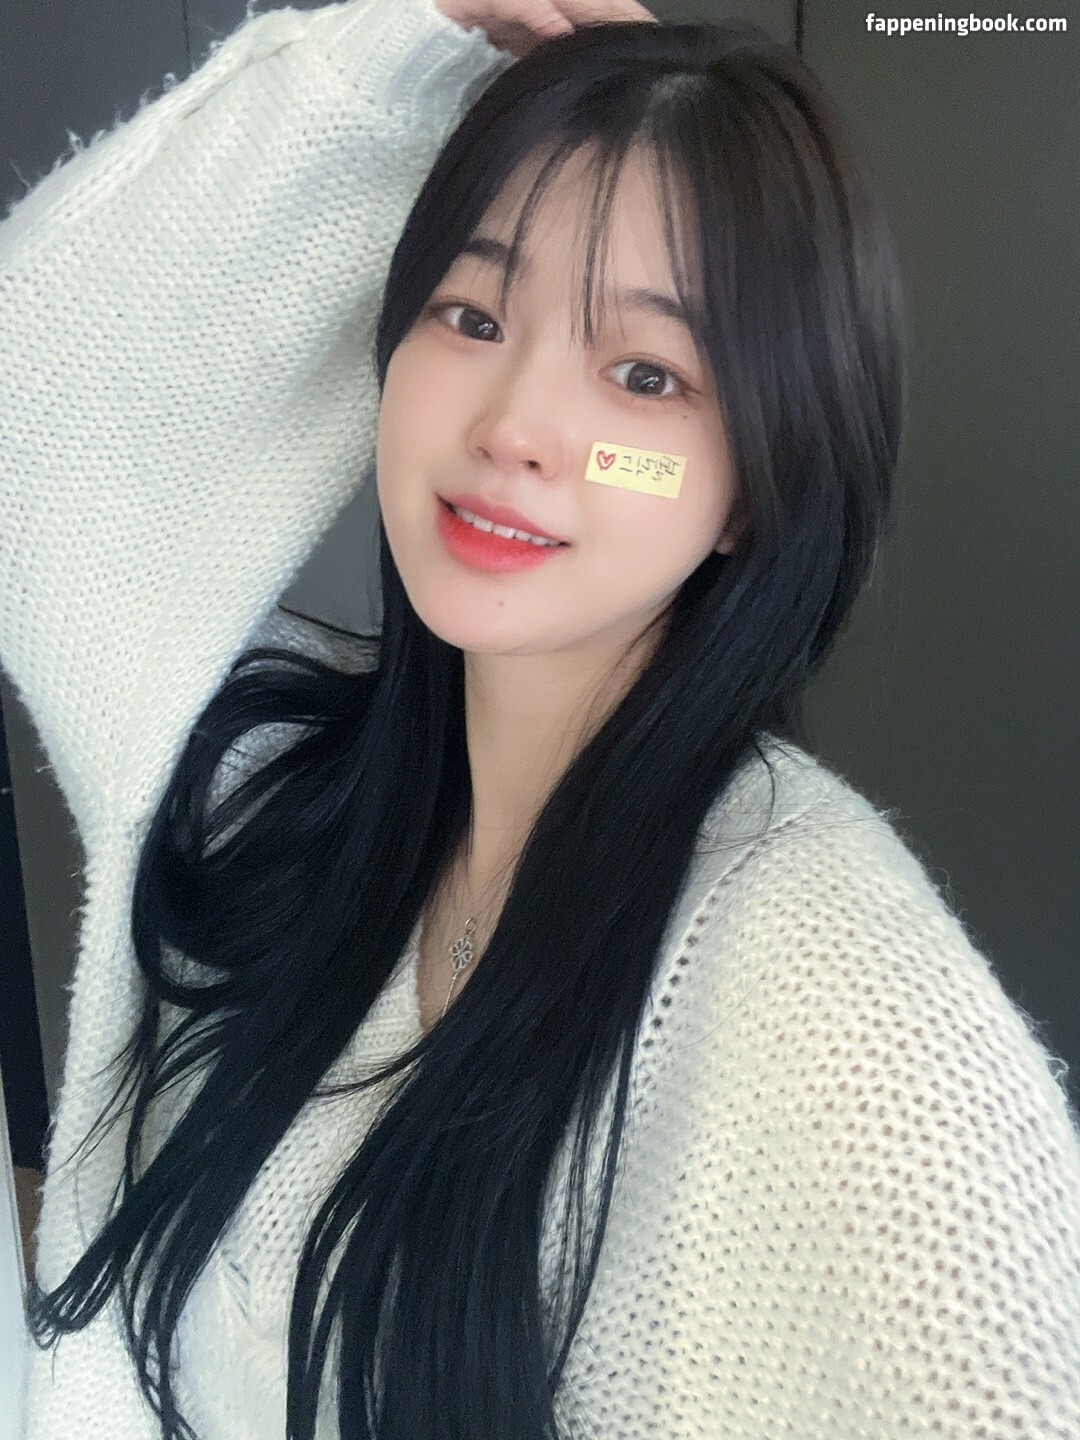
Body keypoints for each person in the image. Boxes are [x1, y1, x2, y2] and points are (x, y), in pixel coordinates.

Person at [1, 0, 1078, 1436]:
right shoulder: (272, 783)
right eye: (473, 315)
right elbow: (32, 428)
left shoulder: (834, 1000)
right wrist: (405, 46)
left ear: (756, 480)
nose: (514, 425)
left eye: (644, 375)